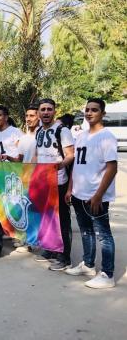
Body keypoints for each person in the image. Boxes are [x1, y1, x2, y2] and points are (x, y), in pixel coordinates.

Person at [65, 98, 118, 289]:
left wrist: (98, 195)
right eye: (87, 110)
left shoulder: (107, 136)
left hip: (96, 196)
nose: (89, 113)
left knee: (103, 235)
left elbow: (112, 168)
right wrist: (71, 188)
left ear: (102, 113)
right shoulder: (81, 136)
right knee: (86, 231)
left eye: (94, 110)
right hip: (79, 193)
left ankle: (107, 274)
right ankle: (88, 265)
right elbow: (76, 165)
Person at [33, 98, 75, 271]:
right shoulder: (38, 131)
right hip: (43, 182)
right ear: (38, 113)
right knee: (47, 218)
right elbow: (37, 154)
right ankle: (50, 249)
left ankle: (64, 257)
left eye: (49, 109)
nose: (46, 112)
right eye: (43, 109)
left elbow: (71, 155)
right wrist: (33, 172)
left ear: (54, 111)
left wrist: (58, 166)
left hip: (59, 181)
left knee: (62, 220)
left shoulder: (62, 130)